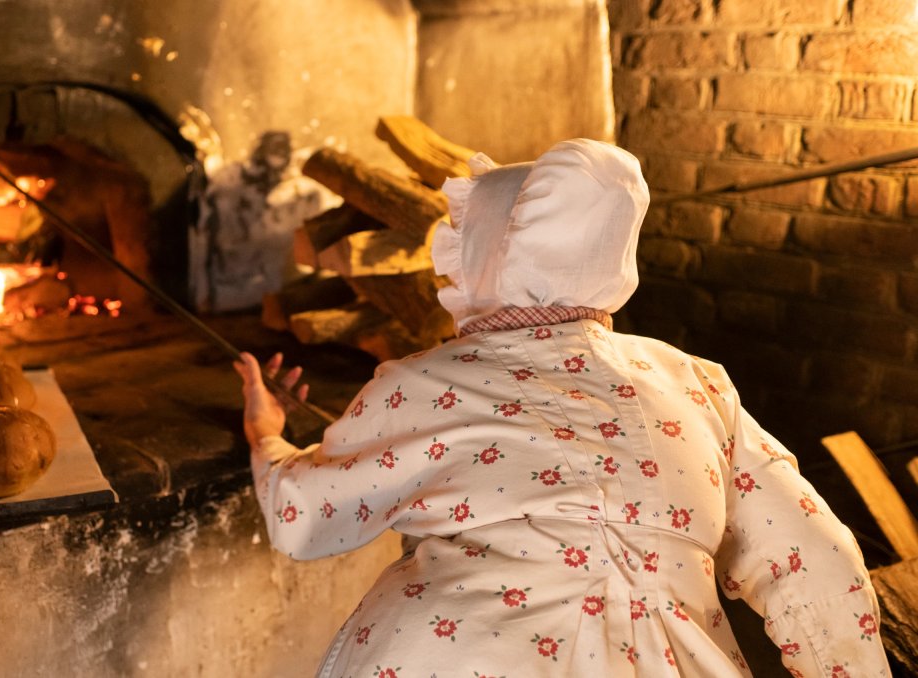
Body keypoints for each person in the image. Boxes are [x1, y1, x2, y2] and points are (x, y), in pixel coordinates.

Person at [234, 139, 890, 677]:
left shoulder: (422, 379)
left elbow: (304, 518)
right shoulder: (693, 381)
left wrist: (270, 439)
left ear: (484, 258)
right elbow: (815, 556)